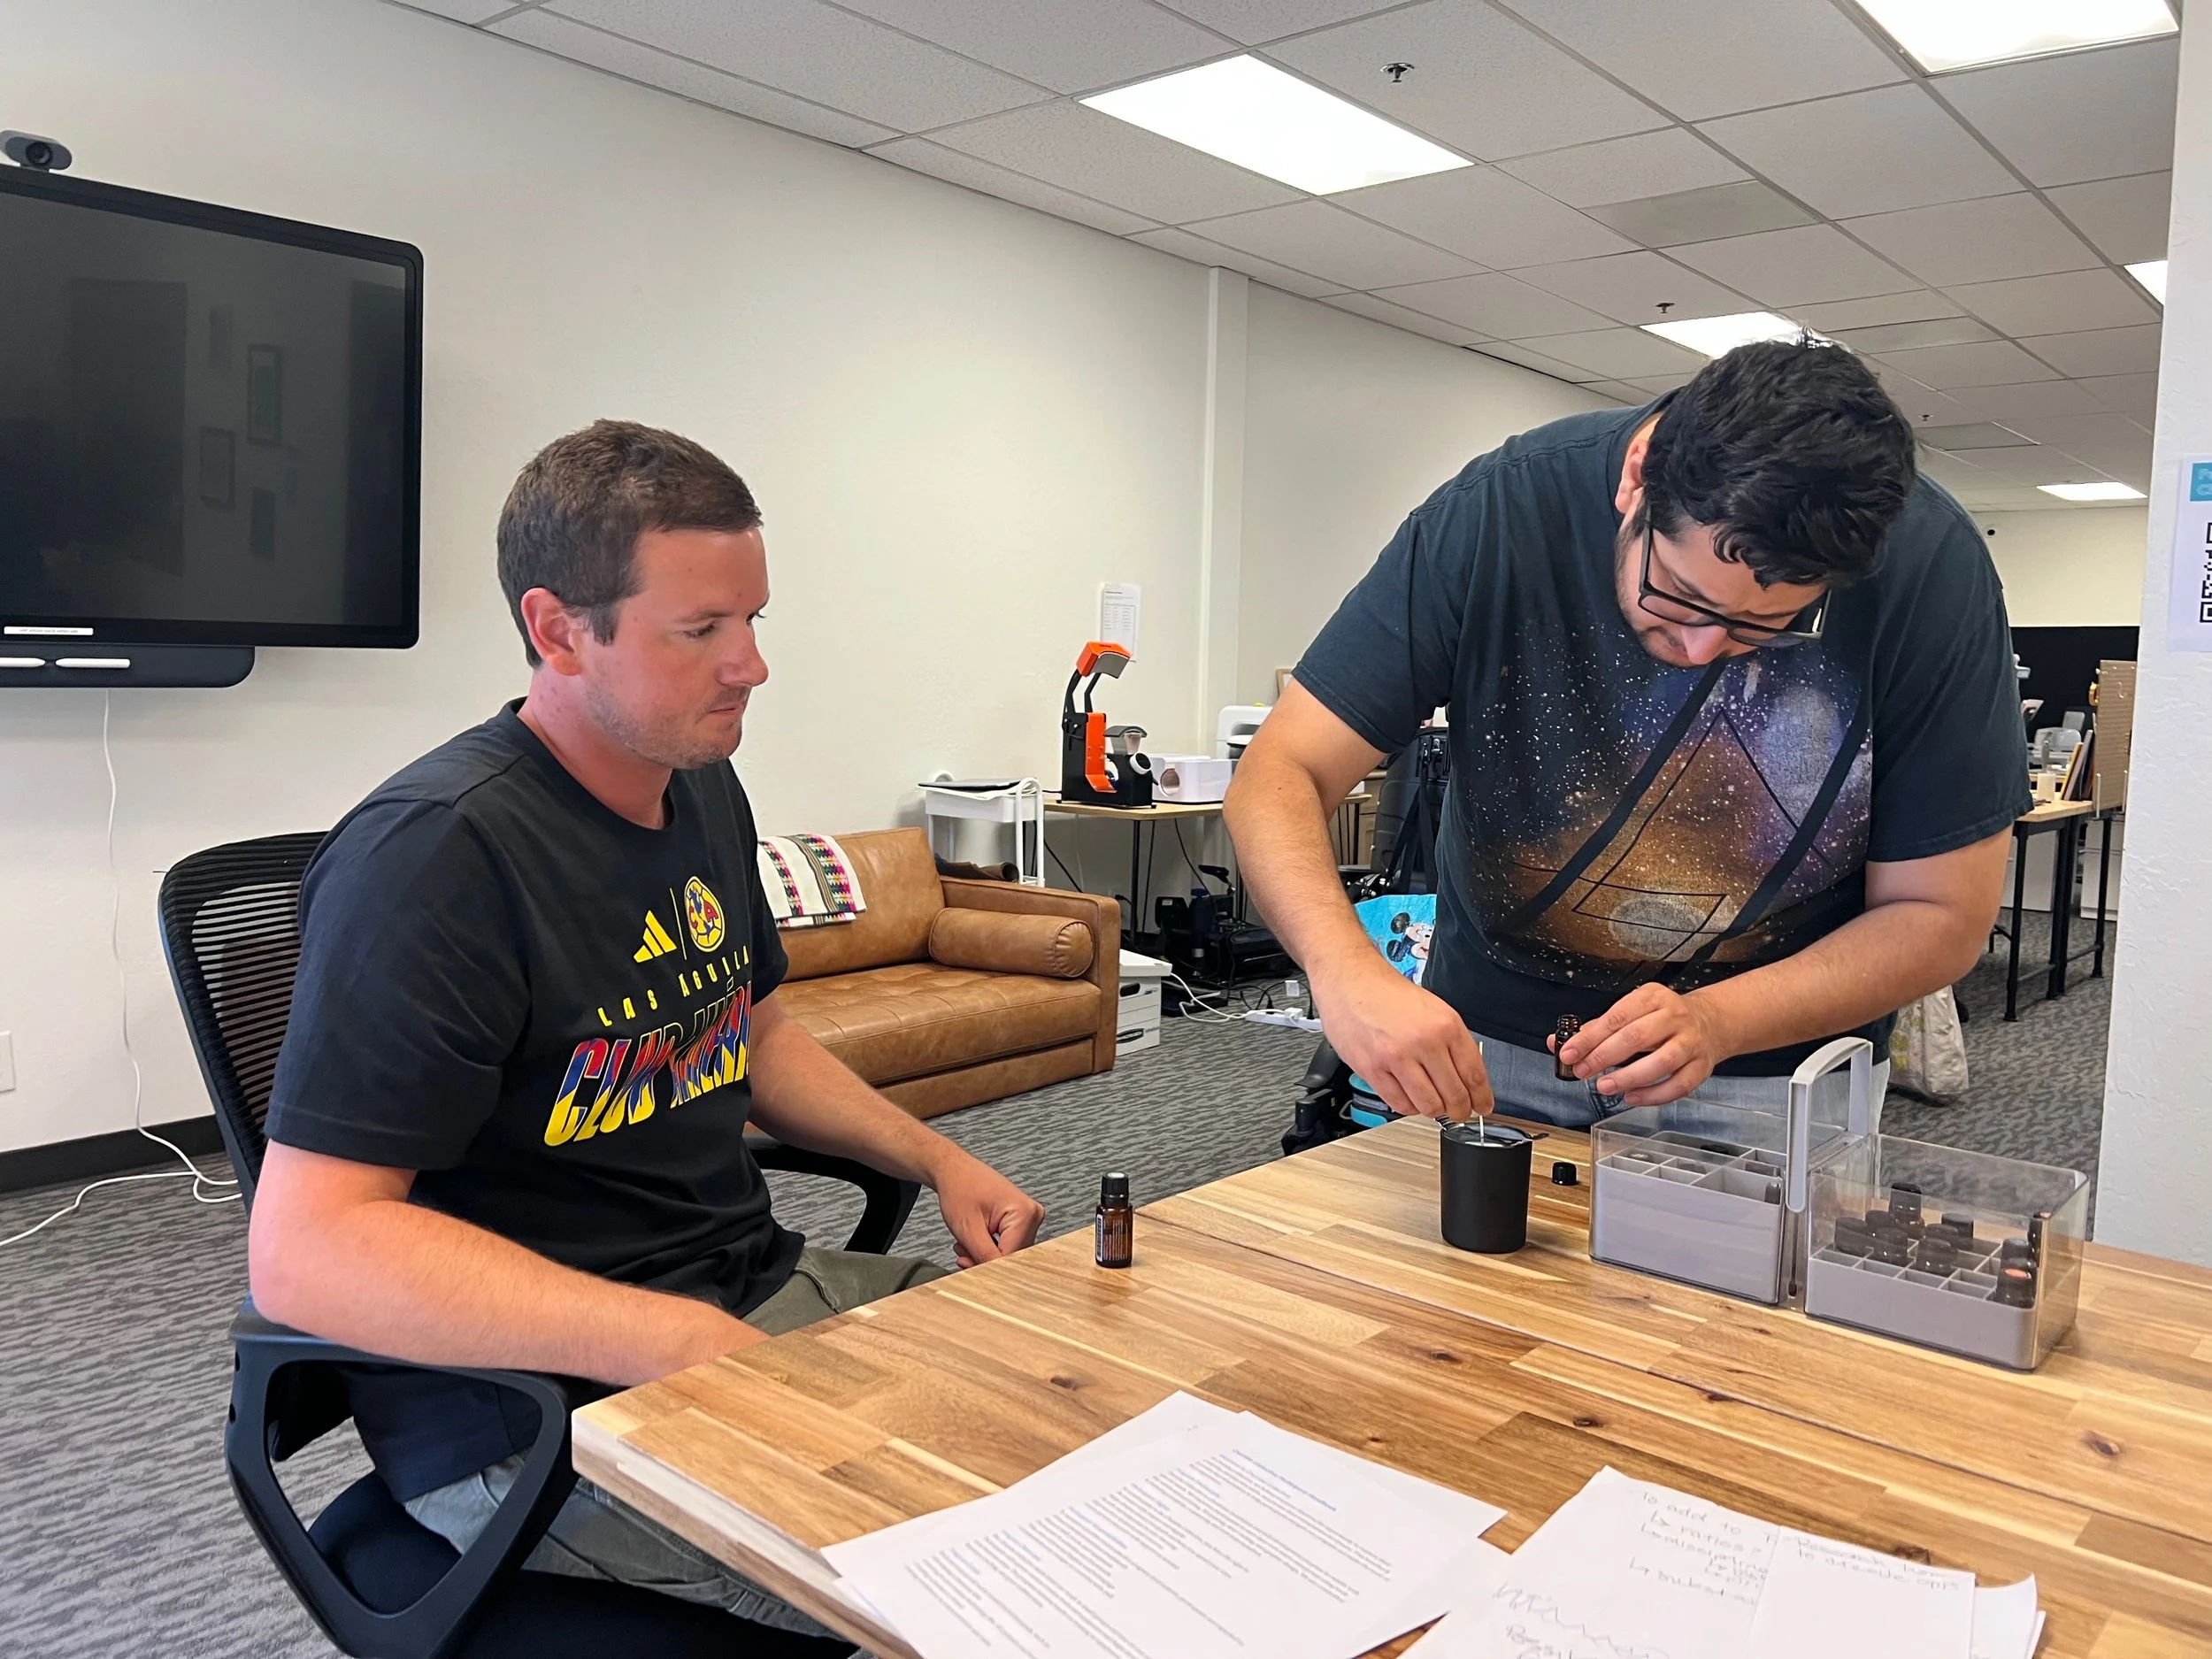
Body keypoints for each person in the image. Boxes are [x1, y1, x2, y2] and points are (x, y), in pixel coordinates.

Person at [250, 420, 1046, 1637]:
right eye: (703, 630)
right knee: (995, 1575)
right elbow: (308, 1248)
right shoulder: (437, 856)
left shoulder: (700, 785)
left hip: (741, 1301)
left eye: (754, 621)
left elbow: (757, 1036)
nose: (752, 666)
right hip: (530, 1411)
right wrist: (667, 1335)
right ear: (559, 628)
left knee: (1068, 1410)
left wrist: (934, 1158)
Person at [1225, 340, 2027, 1128]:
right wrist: (1346, 973)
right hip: (1486, 1049)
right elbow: (1280, 773)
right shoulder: (1502, 510)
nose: (1702, 651)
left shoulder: (1932, 565)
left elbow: (1940, 913)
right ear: (1637, 474)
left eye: (1768, 626)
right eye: (1678, 593)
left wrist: (1721, 1020)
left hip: (1774, 1069)